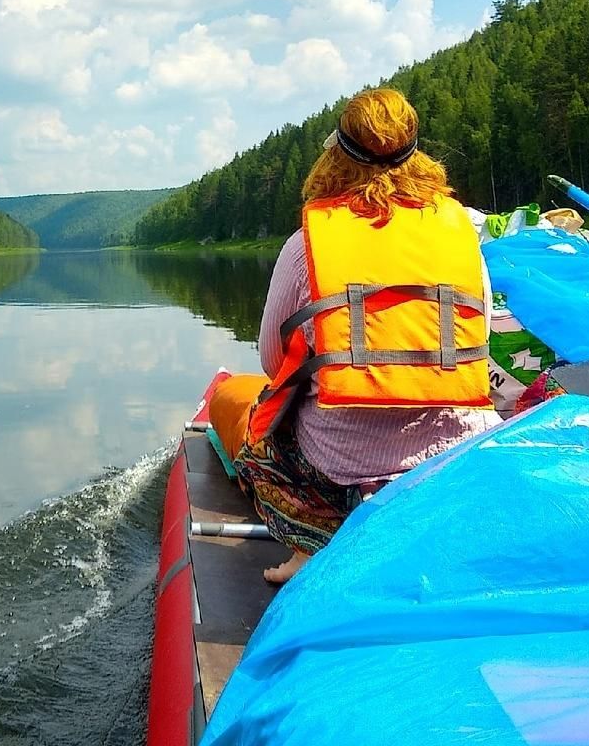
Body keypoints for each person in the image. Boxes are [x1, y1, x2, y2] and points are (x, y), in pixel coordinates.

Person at [209, 88, 502, 584]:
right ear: (418, 155)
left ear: (335, 157)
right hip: (455, 455)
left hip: (340, 466)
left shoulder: (307, 246)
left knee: (264, 435)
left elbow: (269, 357)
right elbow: (483, 334)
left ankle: (309, 548)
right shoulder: (460, 238)